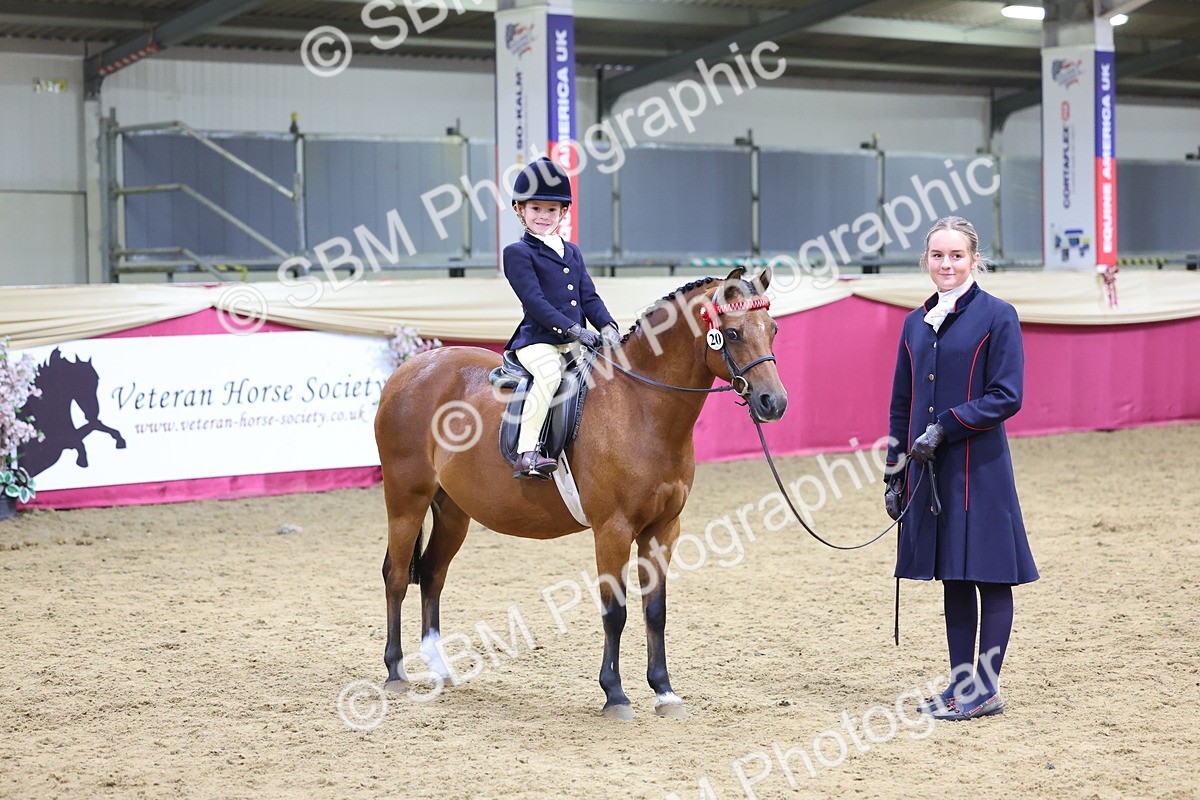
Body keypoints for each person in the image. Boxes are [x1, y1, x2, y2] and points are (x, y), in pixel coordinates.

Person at [883, 216, 1039, 721]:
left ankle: (987, 689)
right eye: (937, 255)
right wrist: (893, 470)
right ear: (925, 260)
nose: (946, 264)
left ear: (974, 259)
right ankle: (960, 685)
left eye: (956, 255)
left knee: (990, 578)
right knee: (953, 576)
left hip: (980, 467)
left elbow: (1006, 396)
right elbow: (901, 405)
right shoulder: (914, 323)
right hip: (928, 471)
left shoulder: (998, 316)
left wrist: (947, 426)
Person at [502, 157, 620, 480]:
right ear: (520, 210)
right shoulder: (517, 253)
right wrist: (573, 330)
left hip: (574, 343)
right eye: (536, 209)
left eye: (551, 210)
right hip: (538, 342)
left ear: (563, 213)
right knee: (550, 375)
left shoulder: (573, 252)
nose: (543, 216)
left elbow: (589, 297)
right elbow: (535, 303)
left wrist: (607, 325)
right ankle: (527, 453)